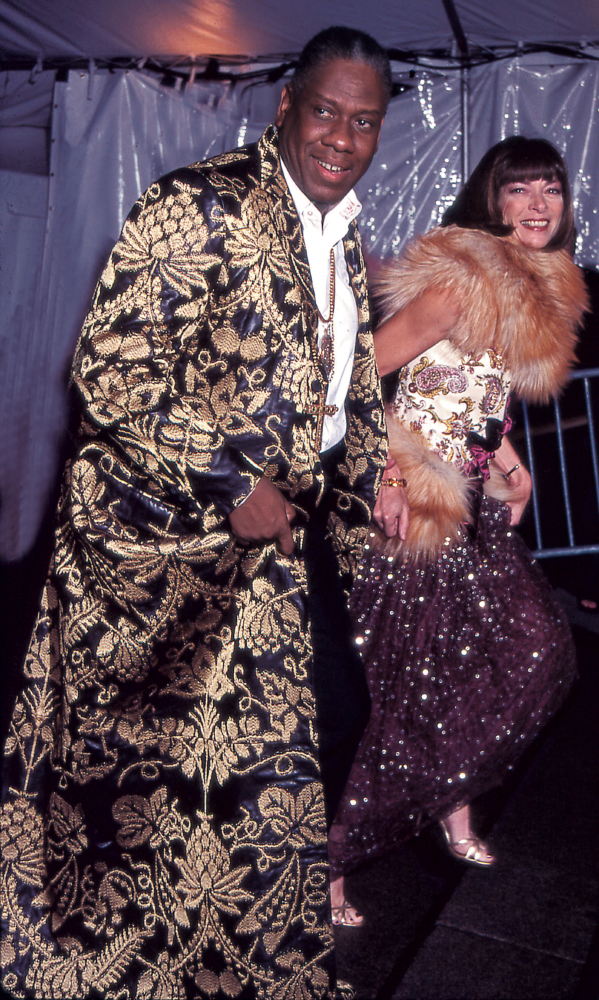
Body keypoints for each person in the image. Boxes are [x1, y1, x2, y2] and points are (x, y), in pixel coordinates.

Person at [0, 28, 392, 999]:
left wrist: (378, 483)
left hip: (270, 552)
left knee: (311, 724)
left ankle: (219, 939)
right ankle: (119, 950)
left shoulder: (343, 236)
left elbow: (343, 393)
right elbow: (109, 369)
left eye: (364, 121)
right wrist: (225, 478)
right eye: (325, 112)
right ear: (285, 108)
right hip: (164, 546)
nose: (341, 137)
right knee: (135, 771)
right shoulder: (199, 204)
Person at [328, 137, 589, 922]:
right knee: (388, 685)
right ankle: (329, 856)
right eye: (519, 190)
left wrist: (511, 464)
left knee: (532, 650)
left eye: (550, 187)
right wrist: (385, 473)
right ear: (491, 201)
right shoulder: (460, 279)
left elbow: (472, 391)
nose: (538, 204)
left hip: (470, 498)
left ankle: (451, 796)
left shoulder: (535, 288)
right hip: (413, 505)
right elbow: (363, 374)